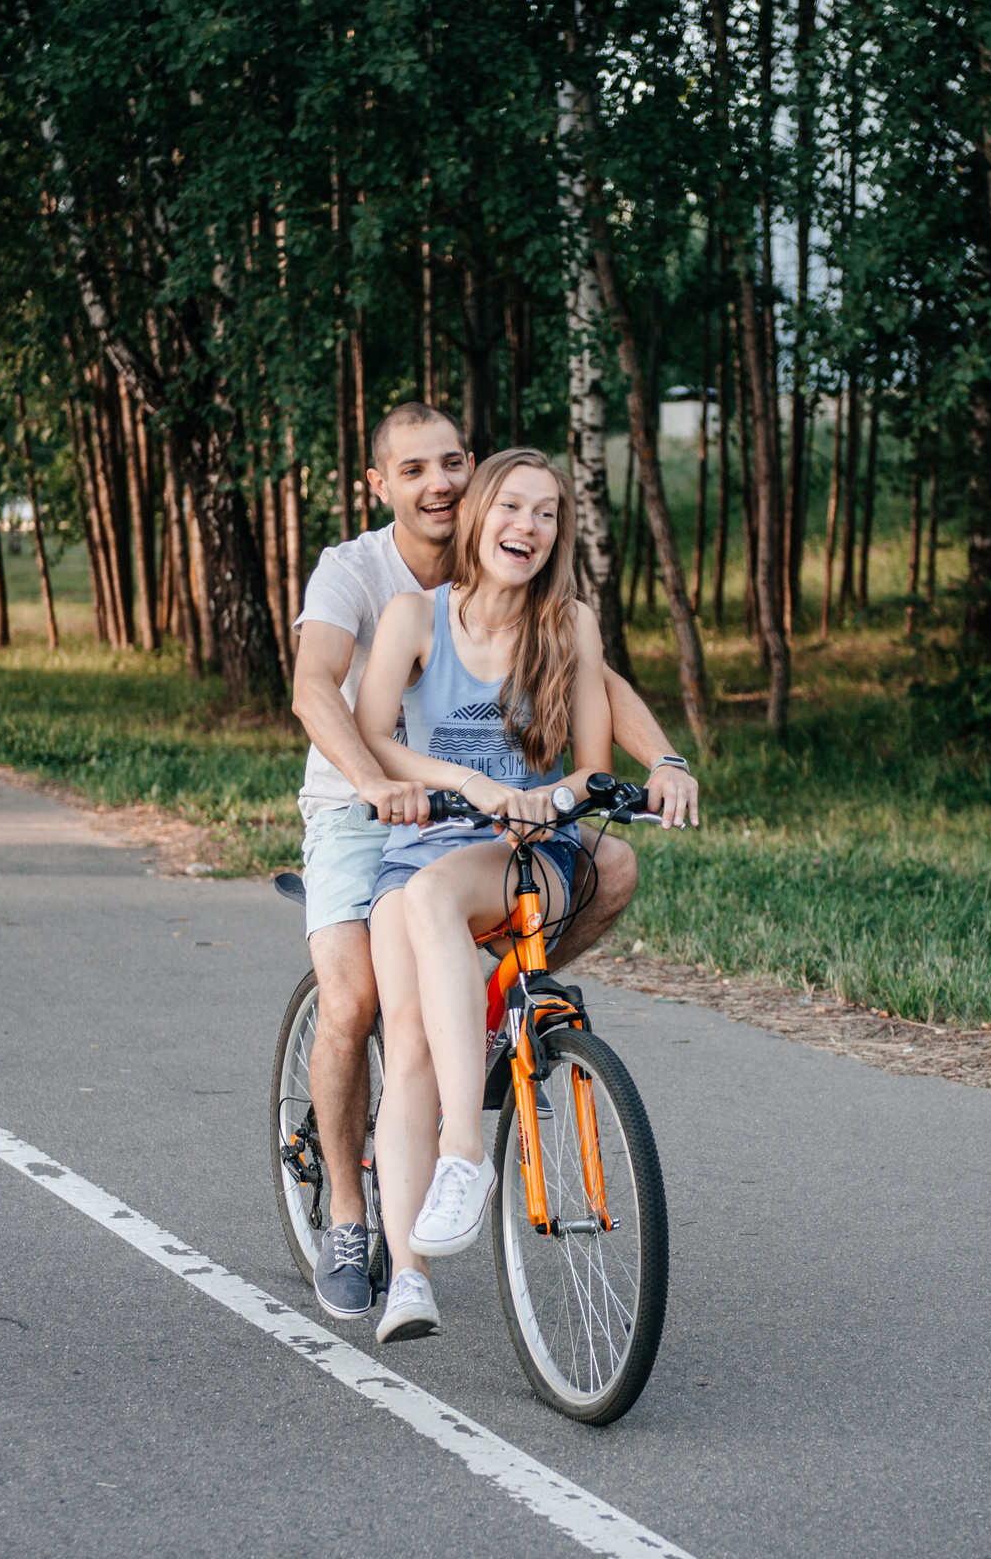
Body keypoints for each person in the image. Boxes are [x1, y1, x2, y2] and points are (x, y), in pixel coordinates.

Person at [289, 403, 697, 1326]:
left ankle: (475, 1082)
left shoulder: (558, 616)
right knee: (359, 1006)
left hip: (504, 837)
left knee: (595, 873)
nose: (438, 484)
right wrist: (386, 783)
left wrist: (659, 762)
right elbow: (326, 696)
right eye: (414, 470)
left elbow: (597, 698)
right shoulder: (366, 579)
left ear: (467, 473)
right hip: (370, 808)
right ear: (382, 485)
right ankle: (363, 1230)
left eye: (451, 465)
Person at [350, 446, 612, 1342]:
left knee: (432, 901)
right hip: (423, 846)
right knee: (408, 1043)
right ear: (476, 516)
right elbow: (372, 735)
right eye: (510, 507)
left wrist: (545, 800)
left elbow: (592, 768)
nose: (526, 527)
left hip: (525, 853)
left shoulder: (569, 625)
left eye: (546, 514)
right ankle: (408, 1276)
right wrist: (466, 781)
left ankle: (465, 1149)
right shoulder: (414, 616)